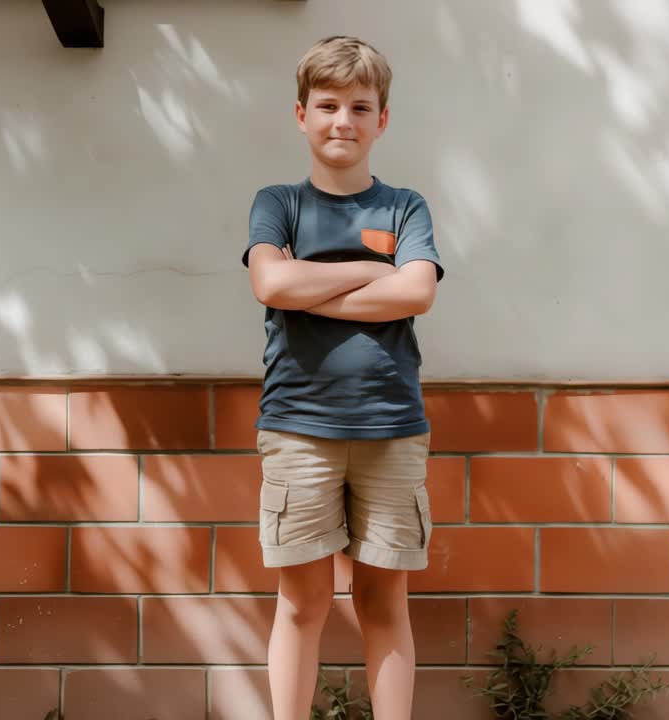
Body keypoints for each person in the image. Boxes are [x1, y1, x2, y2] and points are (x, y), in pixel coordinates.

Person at [240, 35, 445, 720]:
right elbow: (269, 280)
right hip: (299, 431)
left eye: (360, 107)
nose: (342, 120)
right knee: (302, 604)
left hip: (391, 429)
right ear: (301, 114)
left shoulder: (404, 207)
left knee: (383, 604)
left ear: (381, 120)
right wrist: (371, 271)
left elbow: (416, 294)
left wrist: (309, 288)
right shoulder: (278, 203)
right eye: (327, 105)